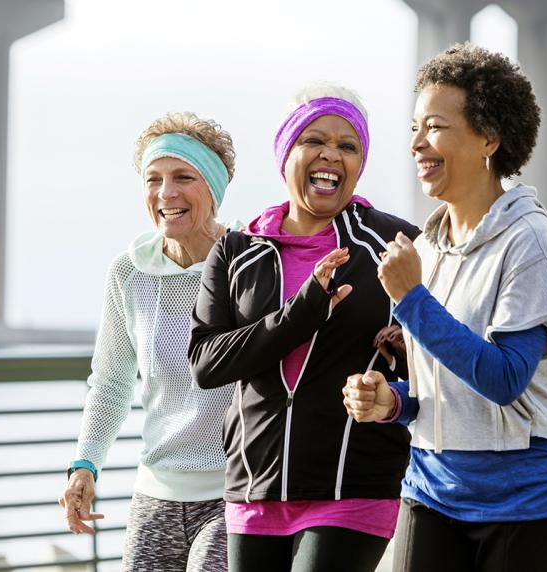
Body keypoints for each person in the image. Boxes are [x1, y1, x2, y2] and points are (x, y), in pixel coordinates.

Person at [342, 43, 547, 572]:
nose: (416, 143)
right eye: (413, 127)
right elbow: (446, 388)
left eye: (434, 126)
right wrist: (394, 402)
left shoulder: (531, 241)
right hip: (432, 490)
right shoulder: (426, 249)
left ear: (489, 139)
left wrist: (411, 299)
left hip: (531, 502)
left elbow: (504, 379)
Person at [188, 83, 420, 572]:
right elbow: (207, 364)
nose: (331, 155)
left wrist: (410, 342)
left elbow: (442, 347)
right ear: (286, 152)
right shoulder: (236, 249)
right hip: (256, 483)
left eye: (347, 145)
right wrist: (305, 309)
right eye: (314, 140)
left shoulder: (395, 243)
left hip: (354, 483)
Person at [59, 112, 239, 571]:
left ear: (214, 189)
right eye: (153, 179)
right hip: (155, 494)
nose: (166, 193)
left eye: (183, 177)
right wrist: (85, 465)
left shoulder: (249, 264)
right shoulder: (129, 272)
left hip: (234, 492)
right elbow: (111, 381)